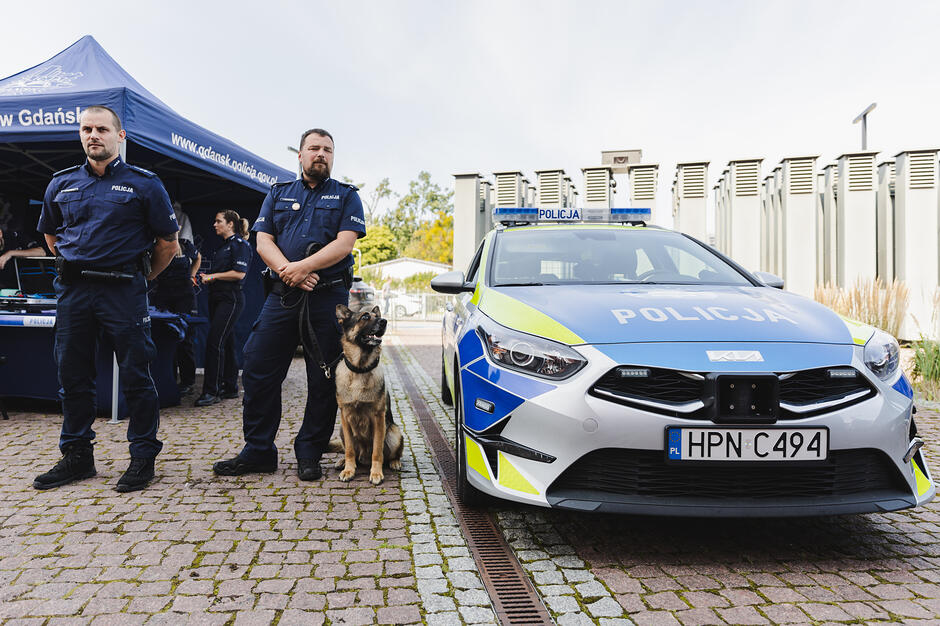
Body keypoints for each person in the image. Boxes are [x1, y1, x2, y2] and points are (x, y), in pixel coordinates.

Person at [34, 105, 179, 492]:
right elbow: (51, 237)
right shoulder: (60, 184)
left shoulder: (145, 184)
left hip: (123, 290)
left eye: (101, 129)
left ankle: (142, 457)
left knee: (136, 375)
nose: (93, 135)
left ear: (120, 136)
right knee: (73, 377)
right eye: (86, 129)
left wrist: (140, 280)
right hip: (74, 292)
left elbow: (168, 244)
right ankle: (77, 457)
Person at [213, 128, 365, 481]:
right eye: (314, 148)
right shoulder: (278, 193)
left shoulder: (346, 196)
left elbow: (344, 245)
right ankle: (258, 451)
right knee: (257, 365)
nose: (321, 154)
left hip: (327, 298)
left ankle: (309, 451)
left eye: (328, 149)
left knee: (323, 377)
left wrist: (303, 267)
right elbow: (263, 239)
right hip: (283, 294)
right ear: (299, 155)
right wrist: (289, 272)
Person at [194, 210, 252, 406]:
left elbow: (239, 274)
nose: (214, 224)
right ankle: (230, 387)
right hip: (217, 297)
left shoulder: (240, 245)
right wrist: (206, 277)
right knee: (226, 342)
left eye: (218, 221)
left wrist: (213, 277)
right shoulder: (223, 247)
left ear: (230, 224)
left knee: (214, 342)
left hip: (231, 298)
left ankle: (211, 391)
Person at [150, 237, 201, 396]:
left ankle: (188, 381)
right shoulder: (155, 245)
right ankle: (168, 379)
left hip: (184, 295)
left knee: (185, 340)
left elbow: (197, 257)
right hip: (164, 293)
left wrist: (192, 275)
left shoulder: (185, 245)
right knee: (165, 337)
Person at [0, 223, 48, 290]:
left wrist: (10, 253)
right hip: (5, 289)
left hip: (30, 284)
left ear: (0, 233)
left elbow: (41, 252)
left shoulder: (15, 236)